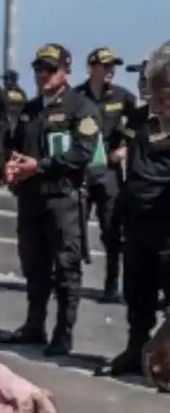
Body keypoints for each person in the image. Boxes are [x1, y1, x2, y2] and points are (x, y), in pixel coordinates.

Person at [0, 43, 100, 357]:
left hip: (63, 199)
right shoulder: (30, 110)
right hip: (31, 199)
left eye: (49, 69)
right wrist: (11, 167)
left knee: (66, 266)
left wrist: (39, 167)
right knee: (34, 264)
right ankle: (34, 324)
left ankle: (63, 332)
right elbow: (14, 146)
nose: (42, 75)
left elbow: (83, 153)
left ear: (65, 71)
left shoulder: (81, 108)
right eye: (38, 69)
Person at [95, 41, 170, 378]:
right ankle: (135, 349)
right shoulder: (139, 118)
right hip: (138, 223)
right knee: (138, 295)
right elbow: (120, 151)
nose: (158, 100)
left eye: (164, 93)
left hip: (167, 225)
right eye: (155, 93)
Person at [74, 46, 138, 303]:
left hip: (109, 173)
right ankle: (71, 284)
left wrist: (124, 146)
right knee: (74, 231)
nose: (111, 70)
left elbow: (139, 124)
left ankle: (111, 284)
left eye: (114, 66)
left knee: (112, 230)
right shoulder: (76, 96)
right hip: (81, 171)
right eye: (106, 65)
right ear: (92, 69)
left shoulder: (123, 97)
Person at [0, 70, 27, 185]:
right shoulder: (22, 93)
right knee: (10, 152)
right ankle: (7, 175)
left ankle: (2, 175)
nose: (5, 82)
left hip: (2, 126)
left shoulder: (2, 94)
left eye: (6, 79)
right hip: (17, 127)